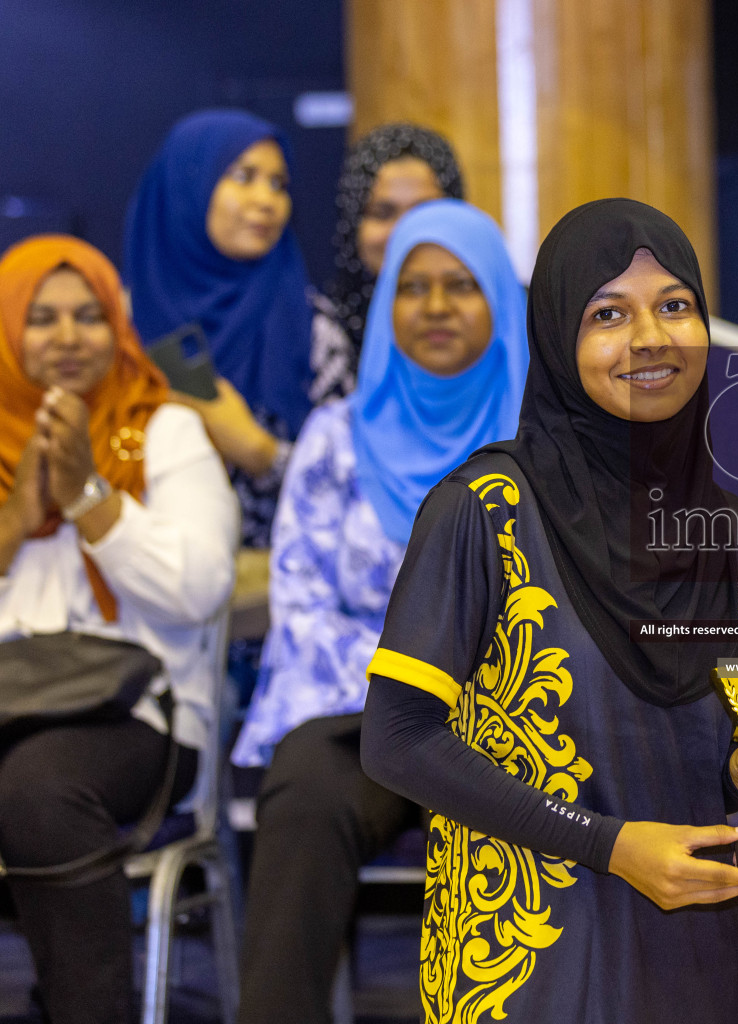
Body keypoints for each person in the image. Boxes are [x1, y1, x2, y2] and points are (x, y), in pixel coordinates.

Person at [359, 198, 738, 1023]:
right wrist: (609, 845)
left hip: (688, 941)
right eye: (609, 313)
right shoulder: (482, 511)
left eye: (675, 306)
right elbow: (396, 741)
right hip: (523, 948)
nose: (650, 336)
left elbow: (727, 757)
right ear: (559, 339)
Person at [230, 199, 529, 1021]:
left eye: (462, 286)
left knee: (525, 811)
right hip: (357, 711)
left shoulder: (544, 437)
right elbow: (303, 601)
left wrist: (480, 701)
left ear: (502, 301)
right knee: (305, 797)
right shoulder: (335, 436)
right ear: (387, 301)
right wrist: (405, 694)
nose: (435, 308)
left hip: (509, 716)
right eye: (414, 287)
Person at [0, 235, 237, 1024]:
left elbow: (199, 590)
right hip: (11, 707)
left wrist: (89, 499)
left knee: (37, 787)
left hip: (144, 720)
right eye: (41, 318)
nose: (67, 337)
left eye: (88, 316)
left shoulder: (165, 429)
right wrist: (16, 519)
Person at [124, 108, 315, 548]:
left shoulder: (313, 324)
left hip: (280, 590)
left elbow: (355, 486)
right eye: (243, 176)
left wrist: (259, 452)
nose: (266, 200)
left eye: (278, 184)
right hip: (137, 587)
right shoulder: (115, 331)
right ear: (187, 185)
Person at [310, 122, 465, 404]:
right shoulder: (321, 334)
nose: (403, 232)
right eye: (383, 213)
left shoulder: (503, 321)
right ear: (352, 224)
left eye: (424, 212)